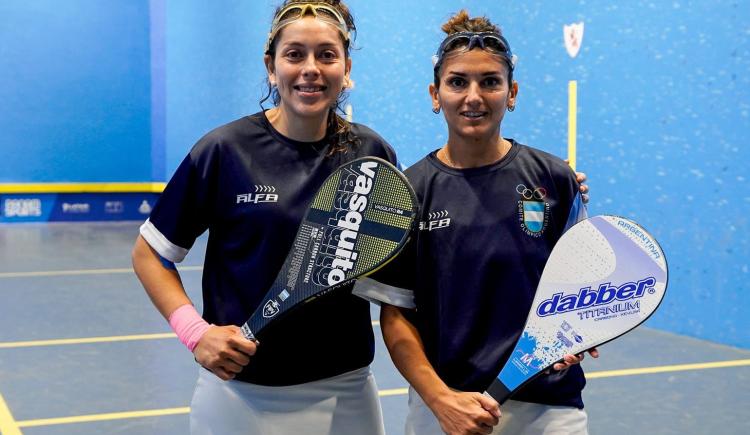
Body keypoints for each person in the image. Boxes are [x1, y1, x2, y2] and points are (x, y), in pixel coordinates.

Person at [131, 1, 399, 434]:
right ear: (271, 66)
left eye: (326, 55)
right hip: (238, 395)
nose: (310, 68)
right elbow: (150, 254)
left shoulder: (371, 154)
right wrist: (195, 333)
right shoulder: (223, 150)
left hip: (344, 393)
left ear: (346, 68)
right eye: (294, 54)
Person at [353, 10, 597, 435]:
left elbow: (579, 294)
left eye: (490, 82)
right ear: (435, 94)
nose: (474, 96)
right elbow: (396, 316)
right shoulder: (408, 192)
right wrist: (439, 399)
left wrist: (579, 335)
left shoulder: (555, 179)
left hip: (548, 411)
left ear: (512, 92)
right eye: (457, 81)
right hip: (444, 412)